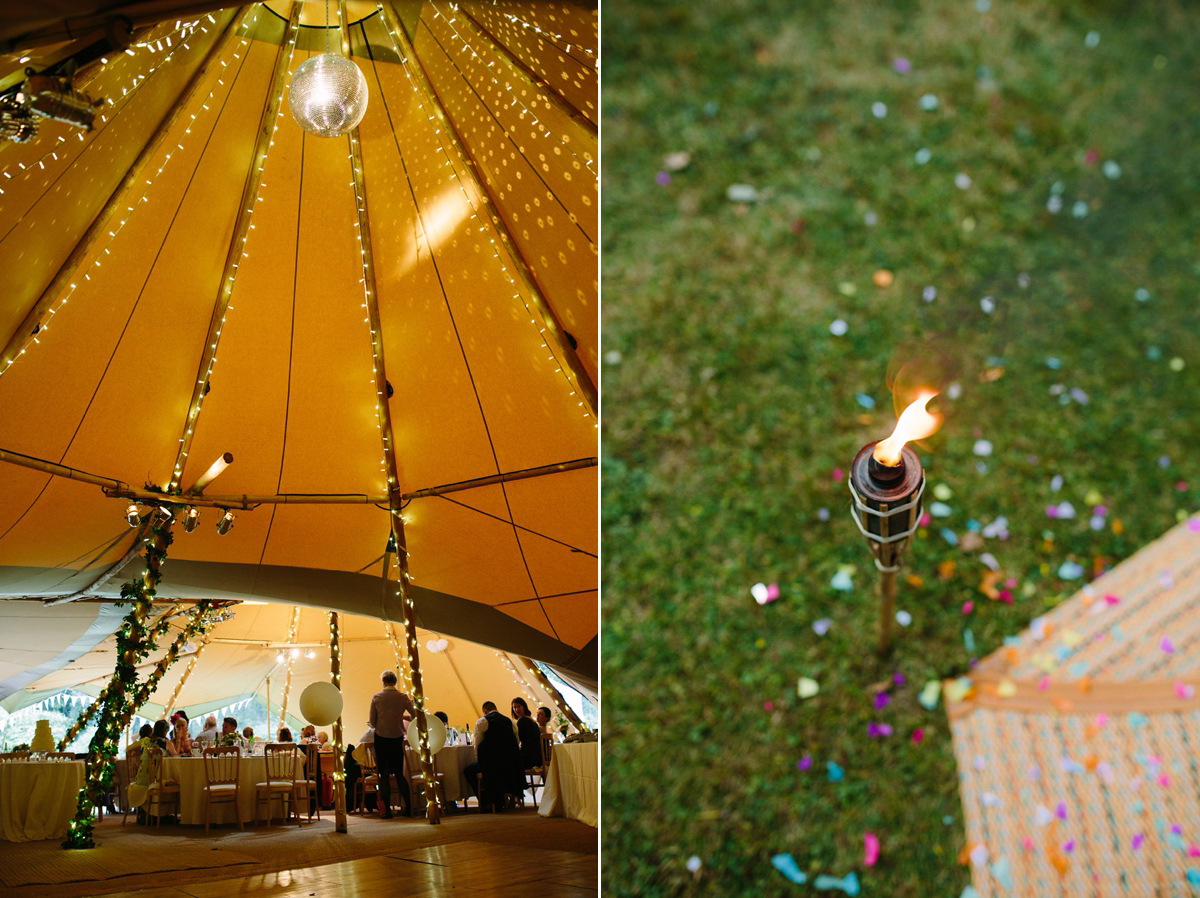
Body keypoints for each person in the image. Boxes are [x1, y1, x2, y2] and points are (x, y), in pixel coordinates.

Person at [368, 669, 415, 818]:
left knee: (384, 775)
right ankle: (409, 808)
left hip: (381, 738)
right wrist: (400, 716)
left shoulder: (377, 697)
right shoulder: (403, 697)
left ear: (383, 682)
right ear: (394, 682)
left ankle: (387, 811)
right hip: (397, 738)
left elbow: (373, 721)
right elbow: (414, 715)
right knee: (400, 774)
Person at [463, 701, 523, 813]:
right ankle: (503, 797)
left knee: (469, 771)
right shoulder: (510, 722)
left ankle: (486, 801)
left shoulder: (483, 721)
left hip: (491, 765)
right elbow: (517, 742)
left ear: (485, 712)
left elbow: (478, 745)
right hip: (509, 764)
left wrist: (480, 761)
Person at [511, 698, 542, 771]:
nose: (516, 709)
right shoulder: (532, 720)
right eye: (514, 707)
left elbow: (517, 739)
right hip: (537, 757)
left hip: (530, 758)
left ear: (524, 707)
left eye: (519, 706)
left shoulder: (522, 721)